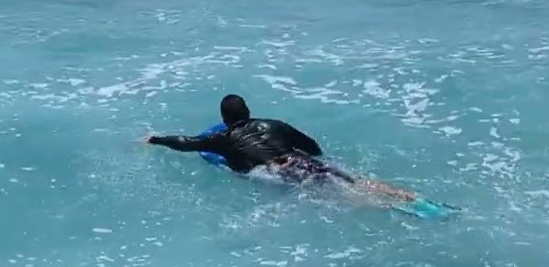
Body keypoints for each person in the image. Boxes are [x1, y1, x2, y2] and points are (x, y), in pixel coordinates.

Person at [145, 94, 416, 201]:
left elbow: (186, 144)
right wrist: (319, 157)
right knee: (353, 183)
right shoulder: (274, 125)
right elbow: (311, 145)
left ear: (224, 120)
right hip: (302, 161)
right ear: (249, 111)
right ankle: (404, 196)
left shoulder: (222, 139)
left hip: (280, 172)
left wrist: (155, 139)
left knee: (341, 198)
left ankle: (379, 207)